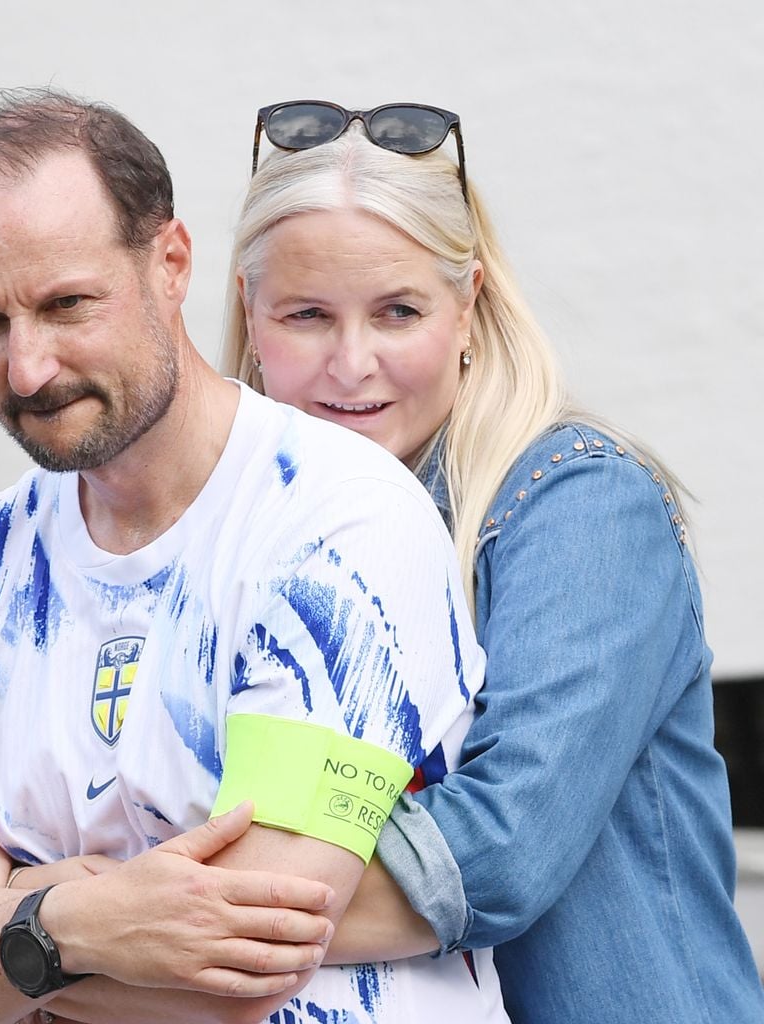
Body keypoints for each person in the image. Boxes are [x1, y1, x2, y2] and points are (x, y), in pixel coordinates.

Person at [0, 88, 511, 1024]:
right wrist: (76, 922)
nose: (28, 368)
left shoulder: (340, 519)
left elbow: (246, 962)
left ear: (171, 264)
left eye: (68, 305)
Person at [222, 100, 764, 1023]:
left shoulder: (578, 505)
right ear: (250, 311)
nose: (352, 365)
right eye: (308, 315)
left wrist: (145, 914)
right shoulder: (237, 532)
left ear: (469, 303)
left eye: (398, 311)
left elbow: (500, 850)